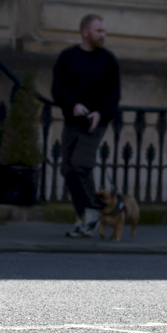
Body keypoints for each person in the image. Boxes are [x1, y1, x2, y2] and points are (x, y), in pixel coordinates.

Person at [52, 14, 121, 238]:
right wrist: (72, 105)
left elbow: (114, 95)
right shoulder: (68, 57)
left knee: (81, 162)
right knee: (67, 168)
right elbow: (57, 88)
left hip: (96, 122)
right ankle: (82, 215)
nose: (103, 35)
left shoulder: (109, 60)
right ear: (85, 32)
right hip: (73, 120)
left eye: (103, 31)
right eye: (98, 31)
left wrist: (100, 114)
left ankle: (93, 212)